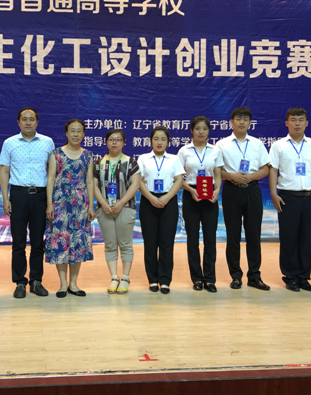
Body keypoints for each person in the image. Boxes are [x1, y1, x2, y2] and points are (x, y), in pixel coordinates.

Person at [269, 108, 311, 292]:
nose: (297, 123)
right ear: (287, 123)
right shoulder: (278, 146)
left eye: (301, 120)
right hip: (288, 198)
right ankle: (291, 277)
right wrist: (273, 193)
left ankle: (303, 277)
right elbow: (273, 170)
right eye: (293, 120)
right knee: (289, 239)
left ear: (306, 123)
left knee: (307, 239)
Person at [0, 108, 55, 298]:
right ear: (18, 122)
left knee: (38, 242)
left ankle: (36, 281)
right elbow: (4, 171)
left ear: (37, 122)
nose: (28, 122)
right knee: (18, 242)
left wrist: (50, 201)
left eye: (32, 119)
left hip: (40, 196)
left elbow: (52, 174)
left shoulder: (47, 142)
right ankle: (20, 282)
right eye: (24, 119)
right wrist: (5, 198)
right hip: (18, 196)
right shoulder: (9, 143)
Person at [216, 107, 270, 291]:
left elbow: (266, 168)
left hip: (252, 190)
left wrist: (250, 177)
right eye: (238, 119)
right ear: (232, 122)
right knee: (233, 235)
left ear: (250, 123)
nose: (242, 122)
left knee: (254, 234)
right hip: (232, 190)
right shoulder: (222, 144)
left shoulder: (257, 144)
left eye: (245, 119)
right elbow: (217, 171)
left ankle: (254, 276)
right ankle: (236, 276)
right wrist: (232, 176)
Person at [45, 119, 95, 298]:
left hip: (80, 204)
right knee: (61, 241)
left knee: (77, 242)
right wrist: (49, 204)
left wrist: (91, 205)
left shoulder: (88, 155)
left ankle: (73, 284)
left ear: (84, 134)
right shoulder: (56, 154)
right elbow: (51, 179)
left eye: (79, 131)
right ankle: (63, 284)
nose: (75, 134)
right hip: (60, 202)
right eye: (72, 131)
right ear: (66, 133)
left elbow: (89, 181)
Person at [177, 117, 224, 293]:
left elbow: (218, 174)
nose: (201, 132)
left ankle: (210, 279)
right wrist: (190, 190)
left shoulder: (215, 150)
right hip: (192, 194)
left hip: (210, 194)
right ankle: (197, 278)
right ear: (192, 131)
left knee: (210, 239)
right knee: (193, 239)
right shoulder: (184, 151)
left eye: (204, 129)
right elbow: (178, 177)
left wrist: (217, 190)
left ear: (209, 131)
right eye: (197, 129)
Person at [93, 129, 141, 294]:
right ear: (106, 142)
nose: (114, 142)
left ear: (124, 142)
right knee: (110, 244)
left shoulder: (131, 162)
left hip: (125, 207)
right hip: (104, 209)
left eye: (118, 139)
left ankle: (125, 278)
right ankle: (114, 277)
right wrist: (103, 203)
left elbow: (135, 184)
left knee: (125, 244)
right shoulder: (98, 163)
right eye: (111, 139)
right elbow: (94, 185)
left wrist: (121, 202)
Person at [137, 126, 184, 294]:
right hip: (148, 200)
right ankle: (152, 279)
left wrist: (167, 197)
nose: (159, 142)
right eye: (156, 138)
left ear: (168, 142)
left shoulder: (174, 159)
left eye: (163, 139)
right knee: (150, 243)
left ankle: (165, 280)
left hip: (168, 201)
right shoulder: (143, 158)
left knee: (166, 242)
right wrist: (151, 198)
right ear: (151, 140)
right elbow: (138, 181)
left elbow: (179, 180)